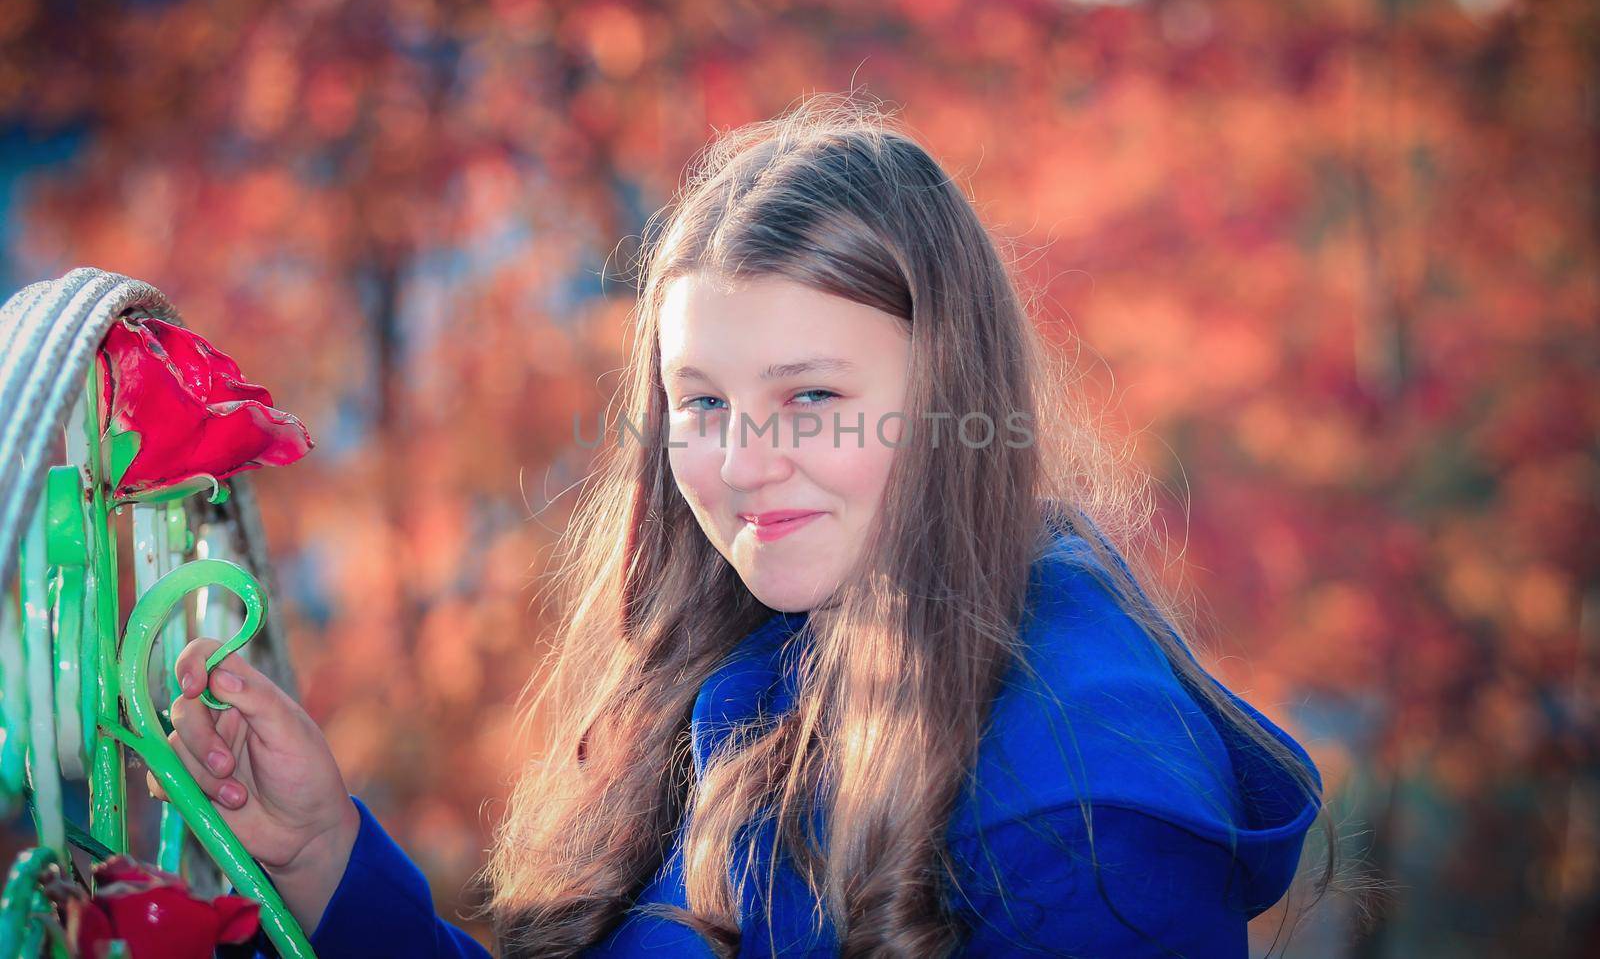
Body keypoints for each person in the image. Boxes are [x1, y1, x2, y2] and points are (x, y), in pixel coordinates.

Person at [152, 94, 1343, 957]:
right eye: (701, 403)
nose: (735, 464)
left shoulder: (1083, 806)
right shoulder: (756, 657)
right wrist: (321, 862)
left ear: (952, 400)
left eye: (811, 398)